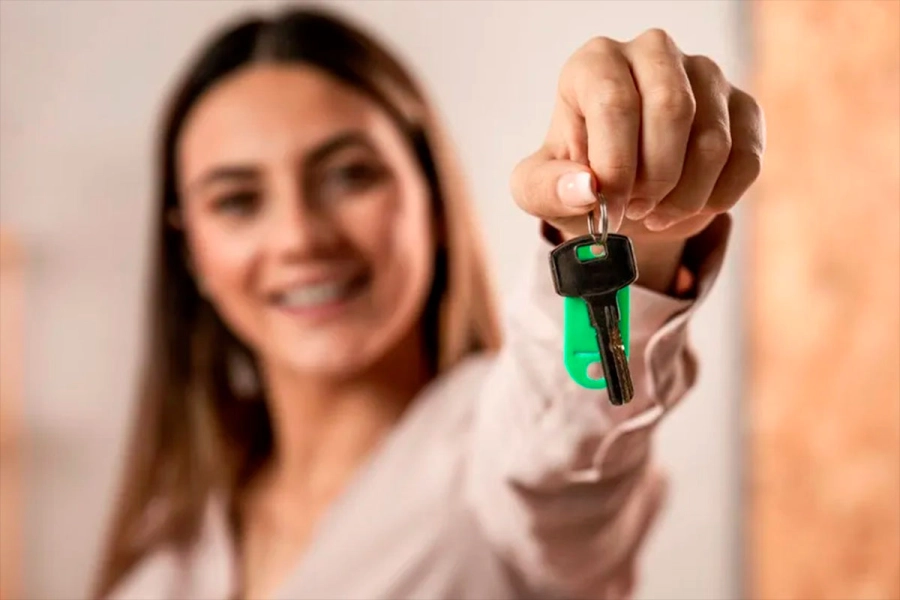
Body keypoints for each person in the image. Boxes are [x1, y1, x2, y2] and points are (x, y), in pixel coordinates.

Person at [92, 6, 763, 600]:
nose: (299, 237)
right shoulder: (170, 539)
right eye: (238, 200)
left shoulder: (503, 467)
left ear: (434, 202)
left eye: (349, 175)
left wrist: (635, 218)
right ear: (189, 249)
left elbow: (569, 443)